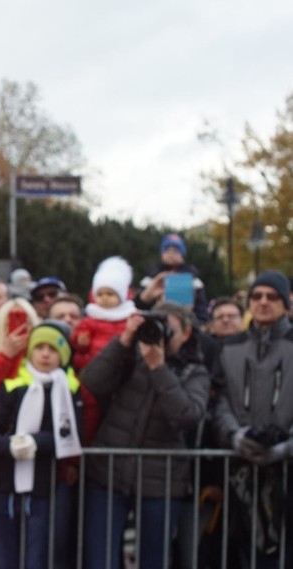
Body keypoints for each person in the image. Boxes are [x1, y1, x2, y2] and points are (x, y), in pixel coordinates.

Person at [82, 302, 210, 569]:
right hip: (108, 475)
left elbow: (186, 415)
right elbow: (91, 384)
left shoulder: (195, 371)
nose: (159, 335)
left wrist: (158, 368)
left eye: (168, 330)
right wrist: (124, 341)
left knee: (154, 561)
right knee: (100, 559)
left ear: (186, 334)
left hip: (161, 483)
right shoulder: (130, 357)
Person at [0, 320, 85, 569]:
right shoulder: (12, 385)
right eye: (40, 347)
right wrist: (9, 445)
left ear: (63, 355)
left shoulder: (70, 389)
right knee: (4, 559)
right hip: (2, 486)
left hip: (43, 489)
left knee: (38, 560)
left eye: (53, 349)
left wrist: (37, 442)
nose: (45, 354)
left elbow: (71, 435)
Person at [211, 270, 293, 568]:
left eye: (272, 297)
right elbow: (218, 402)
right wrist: (235, 436)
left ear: (286, 303)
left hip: (287, 474)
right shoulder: (229, 347)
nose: (263, 302)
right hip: (239, 473)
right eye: (256, 296)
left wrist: (285, 447)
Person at [71, 256, 136, 372]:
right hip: (94, 365)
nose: (104, 298)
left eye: (110, 294)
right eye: (100, 294)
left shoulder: (130, 317)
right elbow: (79, 342)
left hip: (121, 364)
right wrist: (81, 342)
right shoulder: (90, 319)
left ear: (121, 296)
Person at [135, 233, 209, 322]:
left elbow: (201, 309)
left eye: (175, 251)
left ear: (182, 254)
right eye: (167, 250)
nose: (170, 254)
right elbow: (138, 306)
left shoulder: (194, 280)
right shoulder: (150, 278)